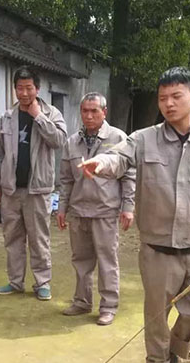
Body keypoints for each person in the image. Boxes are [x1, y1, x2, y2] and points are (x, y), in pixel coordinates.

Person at [80, 67, 190, 363]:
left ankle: (178, 349)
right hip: (157, 249)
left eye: (176, 96)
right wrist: (100, 165)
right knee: (157, 315)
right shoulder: (143, 140)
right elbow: (118, 158)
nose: (169, 104)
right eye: (163, 98)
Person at [0, 65, 67, 301]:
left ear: (37, 88)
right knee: (12, 238)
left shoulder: (51, 113)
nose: (24, 93)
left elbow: (59, 141)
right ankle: (15, 282)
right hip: (11, 190)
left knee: (38, 238)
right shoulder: (7, 117)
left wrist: (38, 117)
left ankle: (42, 283)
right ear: (14, 89)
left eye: (28, 88)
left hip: (38, 190)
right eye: (19, 88)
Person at [57, 92, 135, 326]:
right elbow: (66, 179)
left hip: (105, 211)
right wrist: (62, 208)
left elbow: (129, 175)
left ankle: (109, 306)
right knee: (81, 259)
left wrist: (128, 207)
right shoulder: (72, 142)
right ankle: (82, 301)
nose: (89, 116)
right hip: (79, 210)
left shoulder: (118, 138)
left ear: (104, 112)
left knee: (107, 260)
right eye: (85, 111)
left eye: (94, 111)